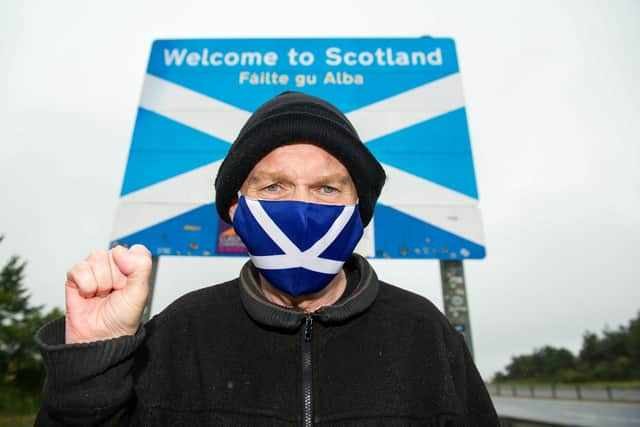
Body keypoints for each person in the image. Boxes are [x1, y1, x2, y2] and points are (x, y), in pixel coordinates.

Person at [35, 91, 498, 426]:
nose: (301, 208)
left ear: (360, 214)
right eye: (273, 186)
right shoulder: (179, 332)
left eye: (326, 188)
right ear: (236, 211)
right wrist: (91, 364)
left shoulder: (423, 333)